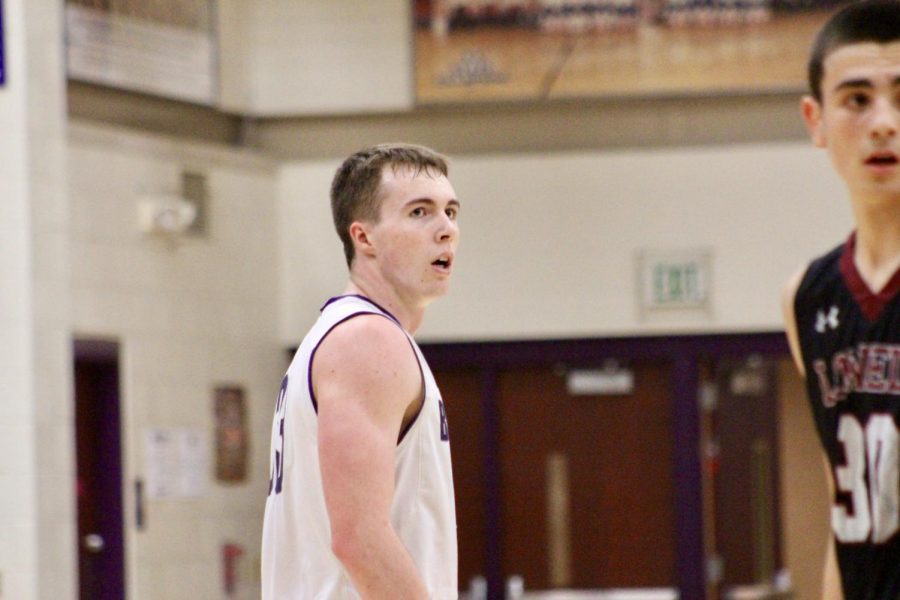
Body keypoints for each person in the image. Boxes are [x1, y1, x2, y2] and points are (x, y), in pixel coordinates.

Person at [262, 143, 460, 599]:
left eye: (450, 211)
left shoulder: (347, 337)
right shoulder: (367, 341)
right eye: (419, 212)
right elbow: (359, 539)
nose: (446, 228)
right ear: (364, 238)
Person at [781, 1, 900, 598]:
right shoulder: (806, 296)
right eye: (857, 99)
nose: (883, 122)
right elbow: (843, 503)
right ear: (816, 119)